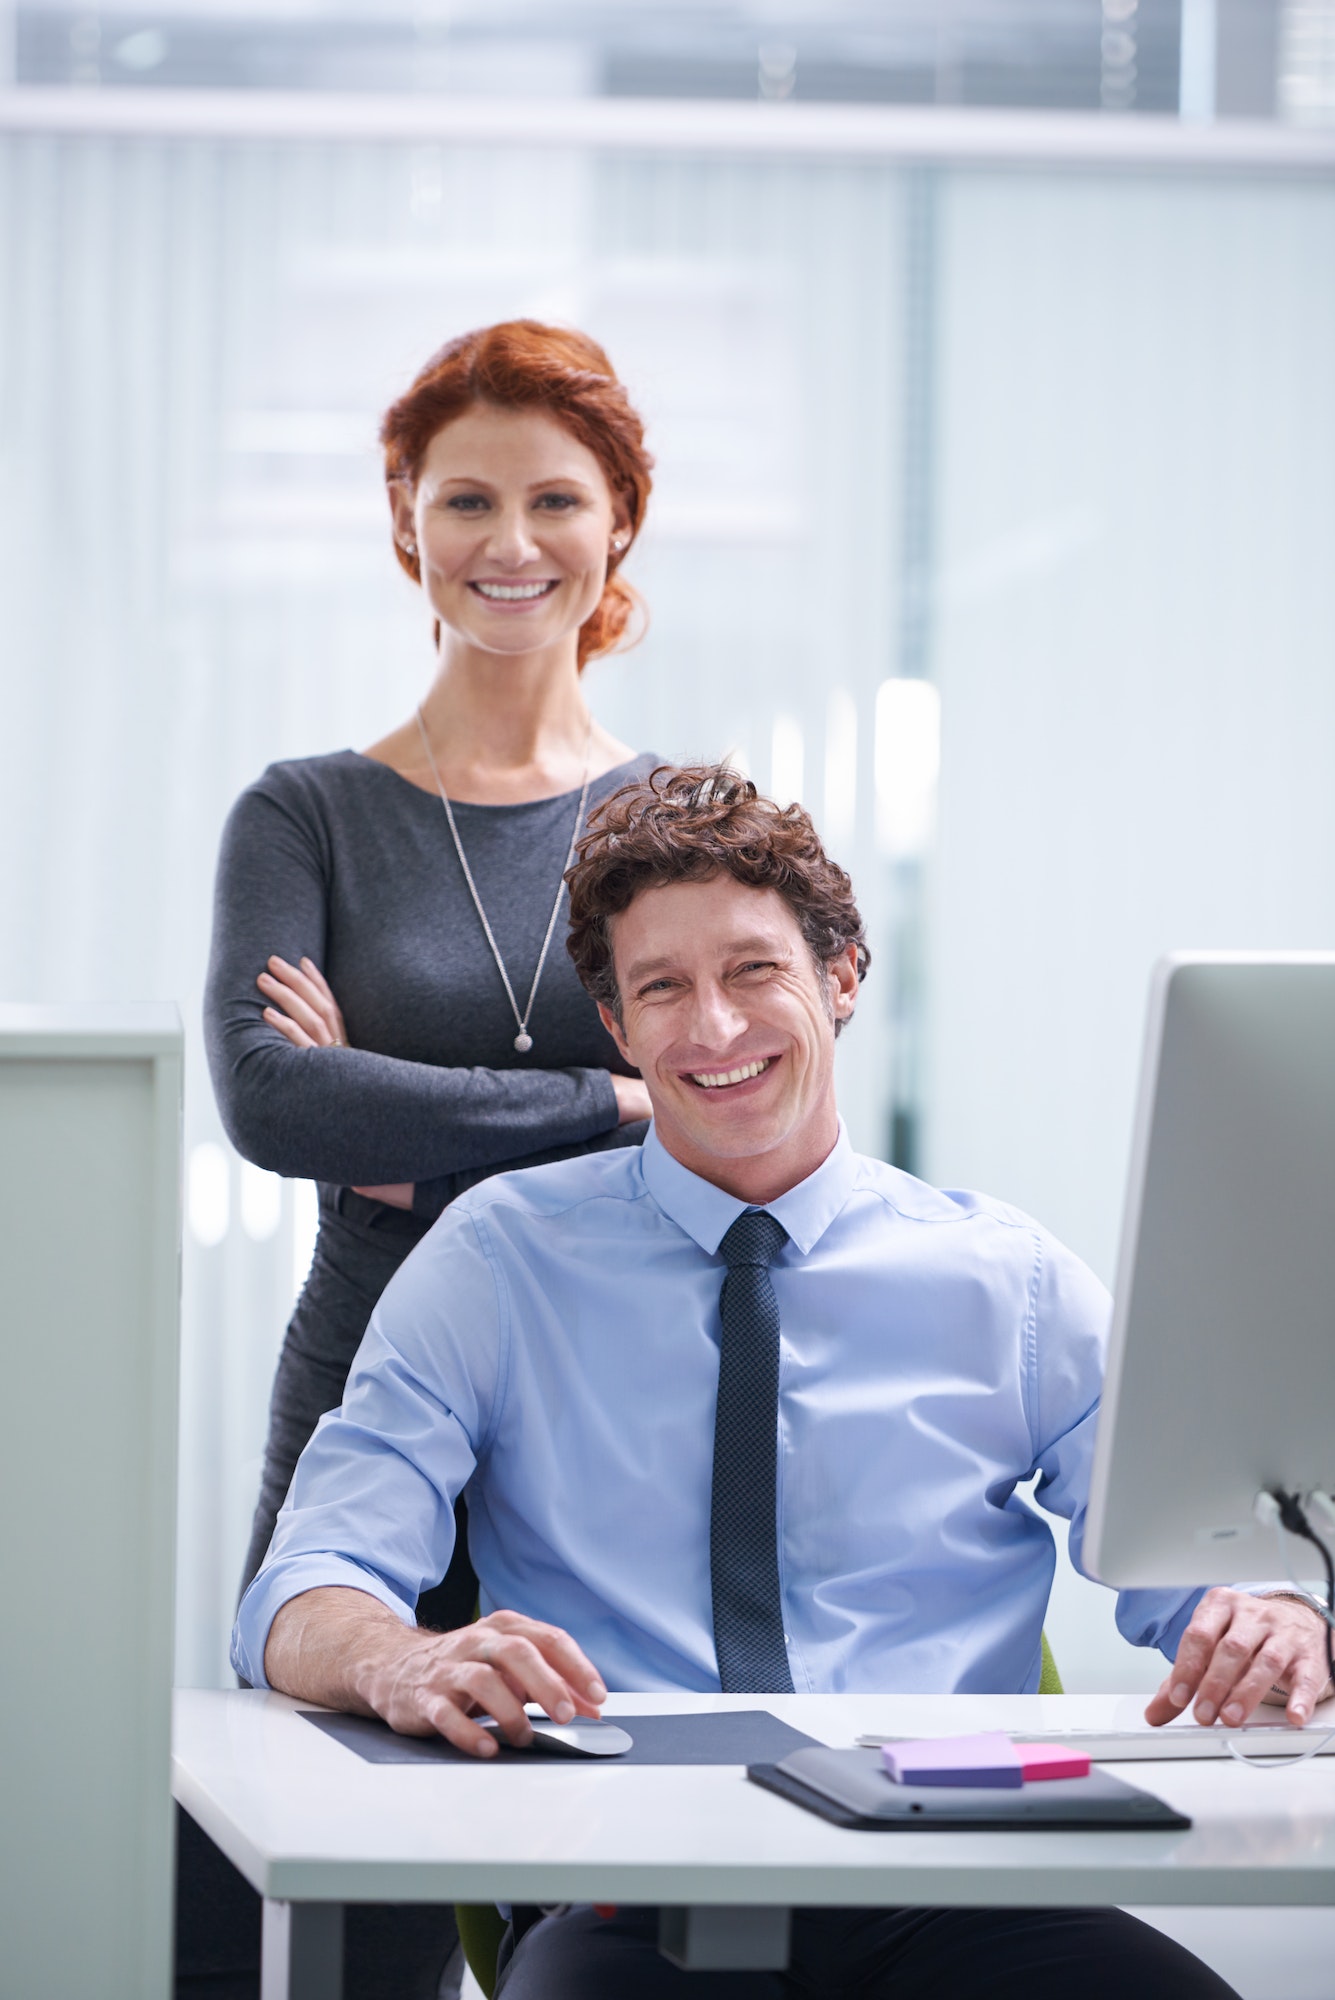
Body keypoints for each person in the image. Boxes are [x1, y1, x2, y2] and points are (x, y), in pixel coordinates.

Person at [234, 765, 1331, 1999]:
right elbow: (305, 1583)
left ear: (842, 975)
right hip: (634, 1892)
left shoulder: (1008, 1282)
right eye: (662, 987)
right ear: (619, 1028)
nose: (711, 1029)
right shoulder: (495, 1261)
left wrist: (1272, 1615)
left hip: (961, 1882)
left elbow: (1209, 1559)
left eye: (753, 970)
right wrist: (402, 1656)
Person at [193, 321, 658, 1997]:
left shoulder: (675, 819)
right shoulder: (305, 813)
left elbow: (716, 1112)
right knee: (307, 1893)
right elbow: (268, 1105)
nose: (511, 544)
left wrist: (396, 1110)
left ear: (619, 526)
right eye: (467, 500)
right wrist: (594, 1107)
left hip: (614, 1392)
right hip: (364, 1373)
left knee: (608, 1904)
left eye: (556, 500)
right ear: (407, 520)